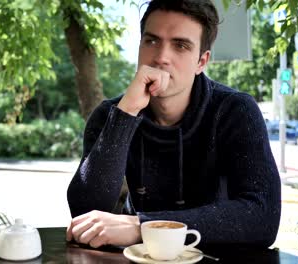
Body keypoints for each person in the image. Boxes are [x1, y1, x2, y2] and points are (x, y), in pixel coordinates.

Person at [66, 0, 281, 249]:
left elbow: (263, 217)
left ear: (201, 62)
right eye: (152, 41)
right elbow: (84, 213)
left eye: (180, 45)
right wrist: (126, 115)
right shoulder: (112, 114)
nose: (160, 57)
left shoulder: (234, 110)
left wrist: (144, 226)